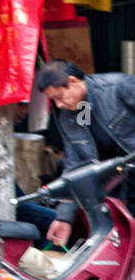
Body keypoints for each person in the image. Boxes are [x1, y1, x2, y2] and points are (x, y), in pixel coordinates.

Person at [34, 59, 135, 247]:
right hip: (118, 183)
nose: (58, 105)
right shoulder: (76, 114)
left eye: (59, 97)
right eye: (53, 100)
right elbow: (76, 167)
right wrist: (64, 218)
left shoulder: (118, 87)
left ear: (73, 82)